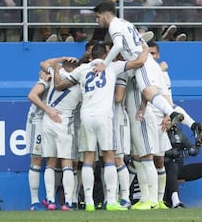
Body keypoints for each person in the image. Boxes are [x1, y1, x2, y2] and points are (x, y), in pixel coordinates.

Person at [51, 42, 149, 211]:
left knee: (88, 159)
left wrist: (55, 69)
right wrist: (145, 49)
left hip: (86, 116)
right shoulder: (112, 66)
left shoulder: (81, 69)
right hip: (104, 116)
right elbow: (139, 62)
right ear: (105, 54)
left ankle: (88, 202)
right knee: (109, 156)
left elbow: (59, 85)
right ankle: (111, 200)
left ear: (90, 55)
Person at [93, 0, 186, 132]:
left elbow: (118, 45)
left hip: (141, 63)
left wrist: (104, 63)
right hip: (147, 61)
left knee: (149, 93)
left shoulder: (113, 26)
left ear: (107, 15)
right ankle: (185, 120)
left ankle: (172, 113)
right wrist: (144, 53)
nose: (97, 21)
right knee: (155, 94)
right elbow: (144, 45)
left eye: (98, 17)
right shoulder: (126, 23)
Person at [39, 57, 82, 211]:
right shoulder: (79, 80)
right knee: (66, 162)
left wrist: (60, 61)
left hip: (49, 118)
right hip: (64, 121)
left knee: (50, 161)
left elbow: (43, 63)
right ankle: (68, 201)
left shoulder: (57, 71)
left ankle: (50, 200)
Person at [26, 70, 61, 210]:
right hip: (38, 119)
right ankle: (34, 202)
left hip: (52, 122)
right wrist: (48, 109)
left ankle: (50, 198)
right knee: (37, 159)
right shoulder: (47, 81)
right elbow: (32, 95)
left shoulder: (66, 82)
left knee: (54, 159)